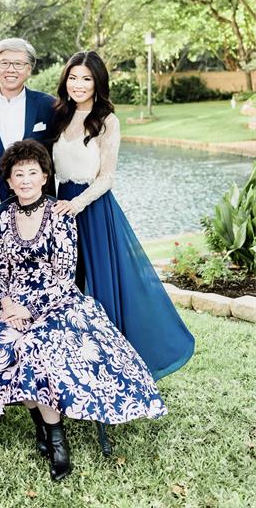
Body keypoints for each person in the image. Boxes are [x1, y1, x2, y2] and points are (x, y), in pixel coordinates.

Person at [0, 140, 167, 482]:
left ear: (44, 177)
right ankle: (43, 426)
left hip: (58, 301)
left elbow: (65, 276)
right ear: (10, 181)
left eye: (33, 172)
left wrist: (30, 309)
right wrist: (6, 303)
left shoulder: (60, 215)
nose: (26, 180)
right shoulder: (2, 217)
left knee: (36, 347)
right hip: (13, 303)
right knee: (8, 344)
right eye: (19, 174)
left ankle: (57, 441)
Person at [51, 51, 195, 380]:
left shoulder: (107, 120)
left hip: (92, 209)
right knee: (69, 286)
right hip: (61, 208)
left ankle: (111, 366)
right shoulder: (59, 115)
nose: (78, 84)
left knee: (99, 285)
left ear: (98, 83)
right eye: (73, 78)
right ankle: (73, 364)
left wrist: (77, 205)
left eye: (86, 78)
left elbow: (107, 177)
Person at [0, 38, 55, 200]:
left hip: (38, 202)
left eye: (18, 64)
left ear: (29, 69)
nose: (11, 69)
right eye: (4, 63)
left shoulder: (48, 105)